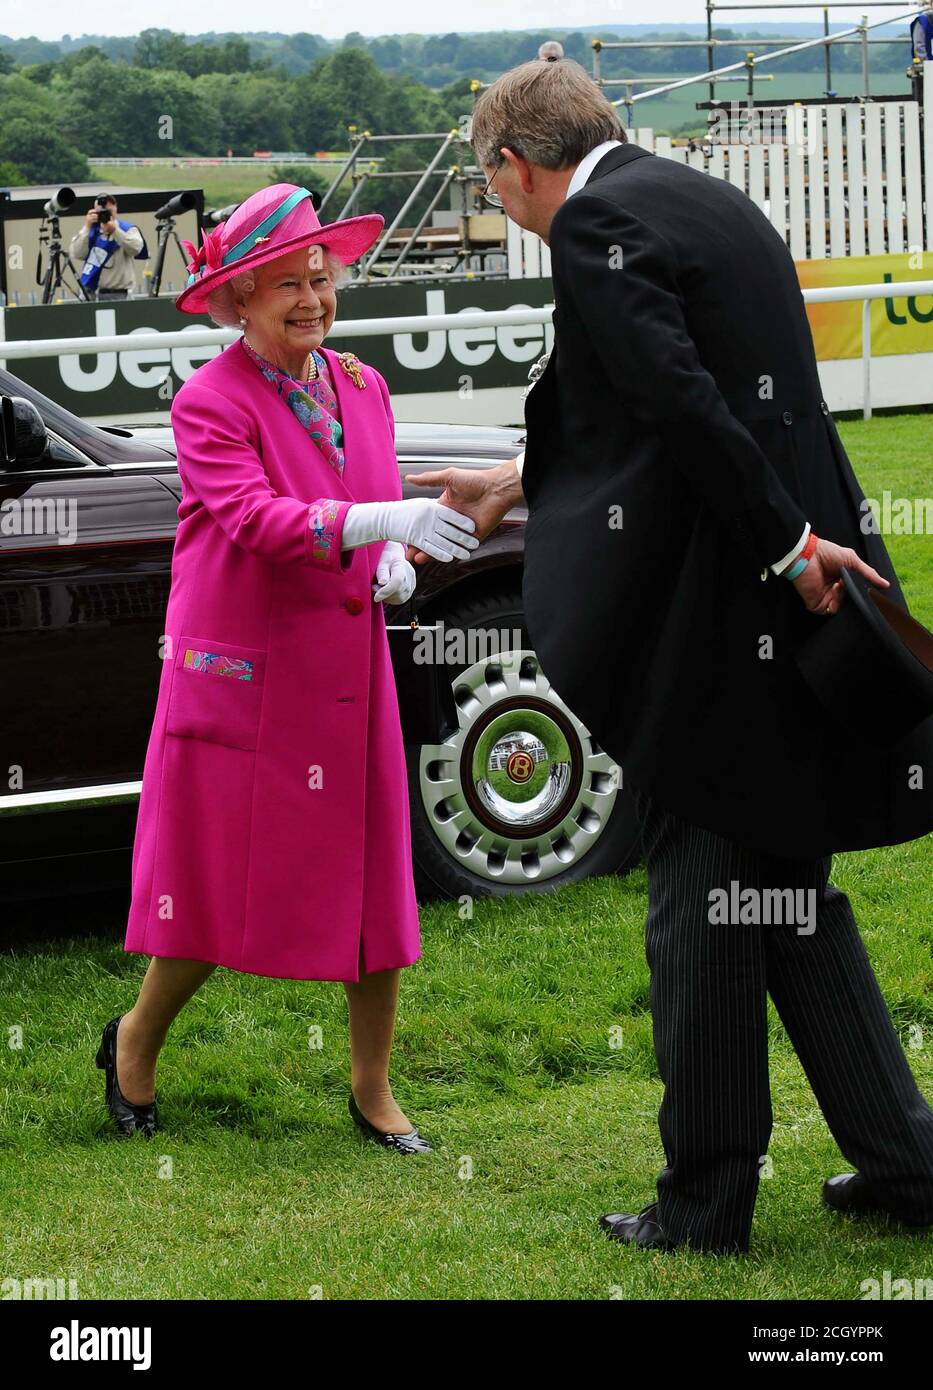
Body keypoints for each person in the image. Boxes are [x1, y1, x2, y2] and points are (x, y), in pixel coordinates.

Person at [408, 59, 933, 1251]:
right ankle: (908, 1162)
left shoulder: (594, 222)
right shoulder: (698, 199)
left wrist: (787, 543)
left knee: (700, 907)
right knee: (791, 901)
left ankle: (704, 1200)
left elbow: (687, 403)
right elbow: (636, 409)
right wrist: (507, 481)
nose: (508, 209)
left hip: (728, 627)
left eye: (496, 191)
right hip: (797, 609)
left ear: (516, 166)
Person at [102, 183, 477, 1153]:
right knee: (207, 884)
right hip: (241, 679)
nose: (312, 299)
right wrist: (377, 525)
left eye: (322, 278)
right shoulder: (208, 402)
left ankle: (372, 1089)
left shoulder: (363, 387)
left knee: (374, 885)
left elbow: (372, 500)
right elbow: (258, 521)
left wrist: (394, 559)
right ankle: (136, 1040)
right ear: (238, 302)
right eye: (287, 287)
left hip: (345, 679)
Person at [69, 194, 146, 299]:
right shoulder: (91, 231)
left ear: (116, 209)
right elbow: (77, 253)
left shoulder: (127, 229)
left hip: (120, 293)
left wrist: (115, 231)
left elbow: (136, 249)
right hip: (90, 293)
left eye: (109, 209)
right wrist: (87, 227)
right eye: (101, 210)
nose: (105, 213)